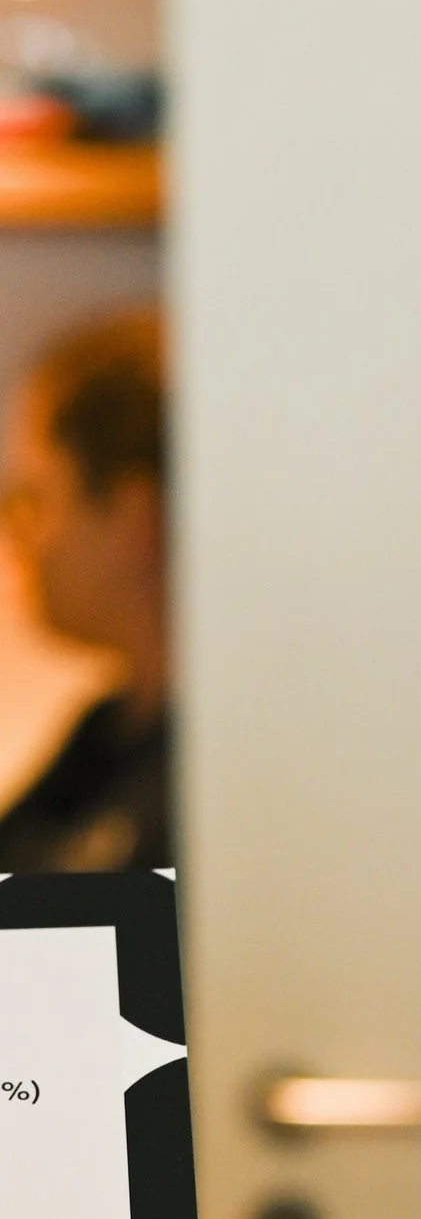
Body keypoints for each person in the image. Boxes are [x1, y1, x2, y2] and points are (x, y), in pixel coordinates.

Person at [0, 305, 170, 873]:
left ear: (134, 516)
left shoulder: (203, 780)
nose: (20, 538)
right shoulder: (108, 732)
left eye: (39, 499)